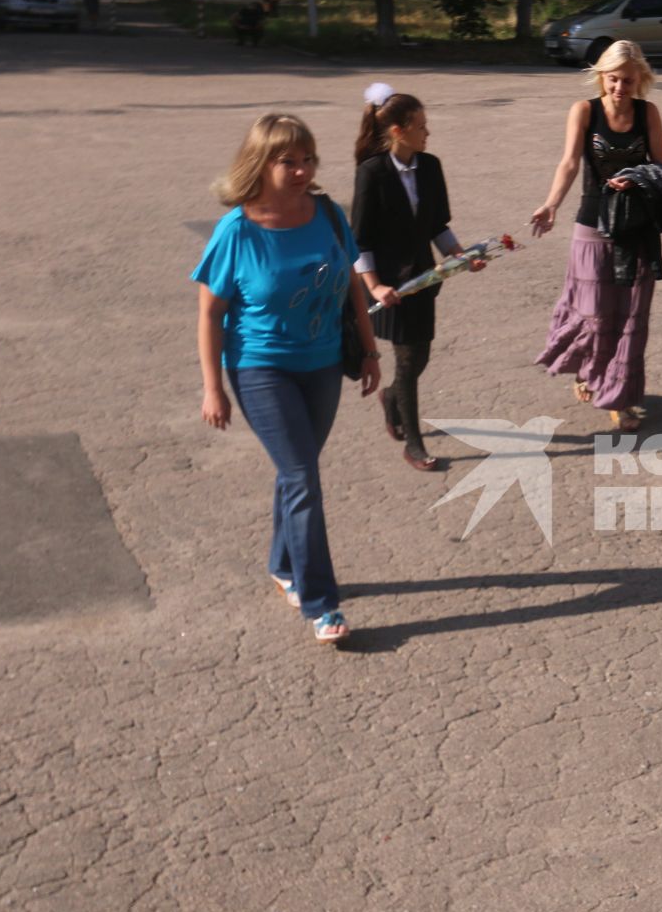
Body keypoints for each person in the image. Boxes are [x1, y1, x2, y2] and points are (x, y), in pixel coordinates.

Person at [192, 113, 380, 645]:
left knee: (296, 470)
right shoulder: (238, 230)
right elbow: (209, 314)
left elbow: (350, 288)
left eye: (308, 160)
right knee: (302, 476)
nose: (301, 171)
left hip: (321, 363)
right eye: (288, 161)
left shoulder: (326, 214)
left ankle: (281, 565)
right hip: (260, 367)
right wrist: (213, 387)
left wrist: (369, 351)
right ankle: (321, 603)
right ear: (261, 163)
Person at [531, 40, 662, 433]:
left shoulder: (649, 114)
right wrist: (551, 204)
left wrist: (640, 180)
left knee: (630, 315)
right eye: (612, 79)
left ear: (640, 79)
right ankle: (589, 372)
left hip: (637, 228)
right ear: (601, 77)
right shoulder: (584, 111)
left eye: (628, 80)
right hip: (592, 224)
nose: (619, 88)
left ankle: (621, 399)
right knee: (594, 312)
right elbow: (570, 163)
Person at [352, 83, 464, 470]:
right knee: (407, 362)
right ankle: (414, 444)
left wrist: (460, 254)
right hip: (388, 287)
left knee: (419, 357)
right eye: (420, 126)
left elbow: (437, 224)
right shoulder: (372, 173)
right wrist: (374, 286)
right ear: (398, 131)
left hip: (424, 279)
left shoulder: (430, 166)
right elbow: (359, 242)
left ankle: (392, 398)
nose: (427, 132)